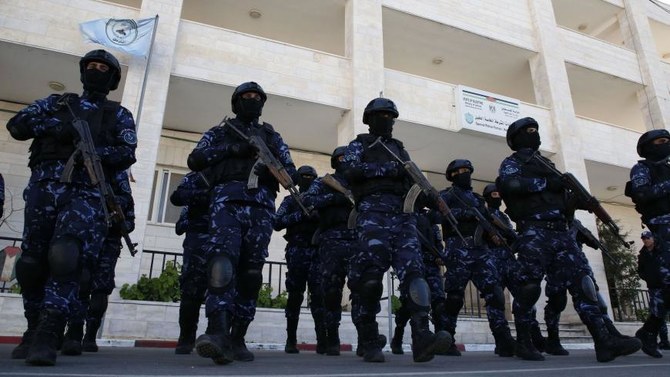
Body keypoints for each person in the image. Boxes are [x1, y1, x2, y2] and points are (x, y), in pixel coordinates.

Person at [6, 49, 137, 366]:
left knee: (66, 257)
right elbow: (18, 125)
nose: (96, 71)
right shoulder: (56, 103)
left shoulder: (118, 115)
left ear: (112, 78)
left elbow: (126, 153)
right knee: (31, 262)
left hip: (85, 193)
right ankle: (33, 326)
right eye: (91, 66)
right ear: (82, 71)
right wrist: (55, 127)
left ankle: (50, 332)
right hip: (43, 187)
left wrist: (95, 149)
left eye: (103, 68)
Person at [497, 117, 640, 362]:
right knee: (529, 288)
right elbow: (509, 185)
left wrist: (578, 202)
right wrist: (546, 183)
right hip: (534, 231)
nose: (534, 134)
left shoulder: (548, 164)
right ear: (516, 138)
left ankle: (603, 341)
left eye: (535, 130)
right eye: (528, 131)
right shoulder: (513, 163)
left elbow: (561, 202)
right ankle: (523, 341)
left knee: (584, 284)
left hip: (561, 233)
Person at [187, 81, 299, 365]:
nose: (252, 101)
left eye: (256, 98)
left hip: (261, 206)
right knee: (221, 263)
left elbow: (290, 172)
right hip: (226, 202)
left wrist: (271, 165)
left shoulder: (272, 137)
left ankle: (238, 336)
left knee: (250, 273)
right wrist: (231, 149)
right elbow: (195, 159)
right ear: (236, 103)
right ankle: (218, 331)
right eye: (246, 97)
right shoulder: (220, 132)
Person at [342, 97, 452, 363]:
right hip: (372, 215)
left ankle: (422, 337)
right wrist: (389, 169)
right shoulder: (359, 145)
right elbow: (350, 171)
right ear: (370, 119)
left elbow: (412, 180)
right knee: (369, 279)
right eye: (381, 116)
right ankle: (369, 339)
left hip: (403, 217)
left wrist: (431, 196)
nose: (387, 120)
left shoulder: (399, 149)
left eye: (391, 116)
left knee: (415, 275)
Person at [439, 160, 516, 357]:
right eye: (459, 172)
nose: (464, 174)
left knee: (495, 294)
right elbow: (437, 215)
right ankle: (447, 339)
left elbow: (487, 223)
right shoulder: (446, 195)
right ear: (452, 176)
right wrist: (463, 213)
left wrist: (495, 235)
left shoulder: (478, 199)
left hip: (481, 251)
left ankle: (503, 339)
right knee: (455, 297)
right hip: (458, 248)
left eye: (467, 171)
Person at [61, 170, 135, 356]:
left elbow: (130, 219)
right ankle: (74, 331)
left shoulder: (118, 179)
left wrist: (117, 213)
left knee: (101, 288)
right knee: (82, 281)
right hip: (86, 236)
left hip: (108, 242)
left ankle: (91, 335)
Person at [302, 147, 357, 356]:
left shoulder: (359, 183)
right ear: (335, 162)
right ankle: (332, 337)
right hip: (331, 240)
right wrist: (334, 199)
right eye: (341, 159)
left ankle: (366, 338)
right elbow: (308, 201)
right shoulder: (323, 183)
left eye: (348, 159)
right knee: (331, 291)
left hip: (357, 240)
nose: (345, 162)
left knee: (363, 289)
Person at [627, 129, 670, 359]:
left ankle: (649, 331)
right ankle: (650, 331)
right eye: (660, 142)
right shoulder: (642, 168)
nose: (665, 145)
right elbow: (642, 194)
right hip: (663, 232)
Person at [273, 165, 325, 354]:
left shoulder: (320, 201)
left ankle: (323, 340)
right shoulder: (290, 201)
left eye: (311, 177)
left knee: (319, 296)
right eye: (304, 177)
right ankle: (291, 340)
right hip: (297, 251)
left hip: (317, 251)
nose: (307, 180)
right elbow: (277, 222)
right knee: (295, 296)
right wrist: (300, 215)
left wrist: (319, 217)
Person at [390, 205, 448, 356]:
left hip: (430, 265)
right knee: (409, 303)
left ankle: (439, 338)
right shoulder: (405, 214)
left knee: (439, 301)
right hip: (413, 264)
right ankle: (398, 337)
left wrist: (440, 256)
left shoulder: (429, 217)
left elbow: (437, 242)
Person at [170, 170, 213, 354]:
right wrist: (203, 196)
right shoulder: (196, 176)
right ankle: (186, 338)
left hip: (225, 239)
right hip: (197, 242)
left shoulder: (232, 174)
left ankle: (217, 336)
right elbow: (177, 197)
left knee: (224, 290)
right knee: (190, 291)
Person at [637, 230, 670, 356]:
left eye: (647, 238)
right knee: (658, 313)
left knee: (660, 313)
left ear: (653, 239)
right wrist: (649, 278)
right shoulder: (643, 255)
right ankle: (651, 339)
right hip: (655, 288)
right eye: (643, 238)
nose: (645, 240)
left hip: (667, 285)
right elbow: (641, 270)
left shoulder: (663, 249)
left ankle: (648, 335)